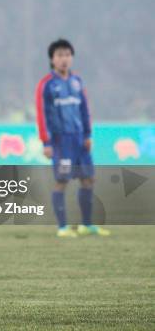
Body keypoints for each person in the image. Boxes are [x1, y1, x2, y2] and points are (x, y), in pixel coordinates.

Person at [35, 38, 110, 238]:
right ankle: (62, 228)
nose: (64, 59)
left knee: (88, 179)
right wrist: (46, 142)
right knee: (62, 180)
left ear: (72, 57)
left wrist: (88, 134)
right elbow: (42, 114)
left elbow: (85, 110)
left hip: (80, 140)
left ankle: (86, 225)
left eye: (67, 55)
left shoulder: (77, 82)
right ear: (52, 59)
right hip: (61, 141)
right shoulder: (47, 85)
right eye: (59, 55)